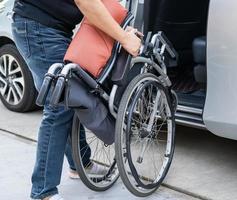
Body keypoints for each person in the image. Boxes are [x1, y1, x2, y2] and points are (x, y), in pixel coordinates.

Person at [11, 0, 142, 199]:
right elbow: (86, 2)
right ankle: (43, 192)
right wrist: (123, 37)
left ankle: (80, 163)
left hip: (43, 28)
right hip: (40, 28)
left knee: (68, 99)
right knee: (59, 105)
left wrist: (120, 28)